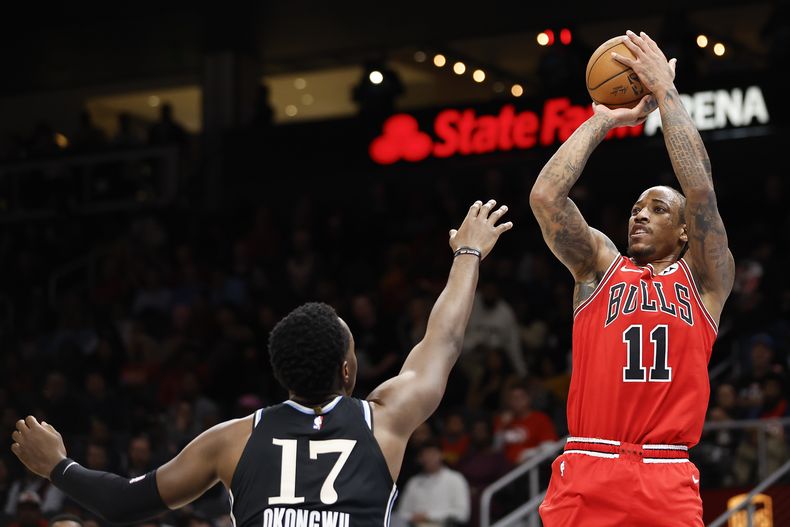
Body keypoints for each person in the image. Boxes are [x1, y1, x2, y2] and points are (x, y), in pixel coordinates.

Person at [10, 199, 513, 527]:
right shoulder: (385, 419)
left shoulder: (232, 439)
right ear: (346, 370)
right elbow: (443, 340)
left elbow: (123, 502)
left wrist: (57, 465)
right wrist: (467, 252)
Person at [530, 31, 734, 526]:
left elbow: (701, 189)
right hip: (588, 464)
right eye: (635, 207)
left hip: (665, 471)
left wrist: (666, 93)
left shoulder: (706, 281)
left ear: (686, 231)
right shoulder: (600, 267)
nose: (639, 216)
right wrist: (602, 121)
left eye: (658, 208)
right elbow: (546, 199)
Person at [393, 440, 470, 527]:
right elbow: (401, 513)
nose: (429, 458)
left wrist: (428, 516)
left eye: (432, 454)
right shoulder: (414, 482)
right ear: (420, 459)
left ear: (441, 455)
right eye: (425, 455)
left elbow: (462, 514)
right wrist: (414, 517)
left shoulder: (456, 479)